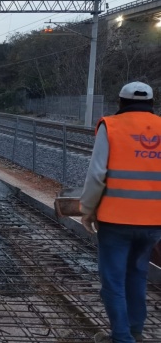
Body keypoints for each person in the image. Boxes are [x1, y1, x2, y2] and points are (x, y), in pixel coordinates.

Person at [80, 81, 161, 343]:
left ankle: (122, 337)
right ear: (151, 103)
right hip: (152, 222)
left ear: (120, 103)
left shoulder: (111, 125)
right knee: (137, 276)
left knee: (113, 281)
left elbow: (96, 175)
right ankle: (135, 331)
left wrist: (87, 210)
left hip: (115, 221)